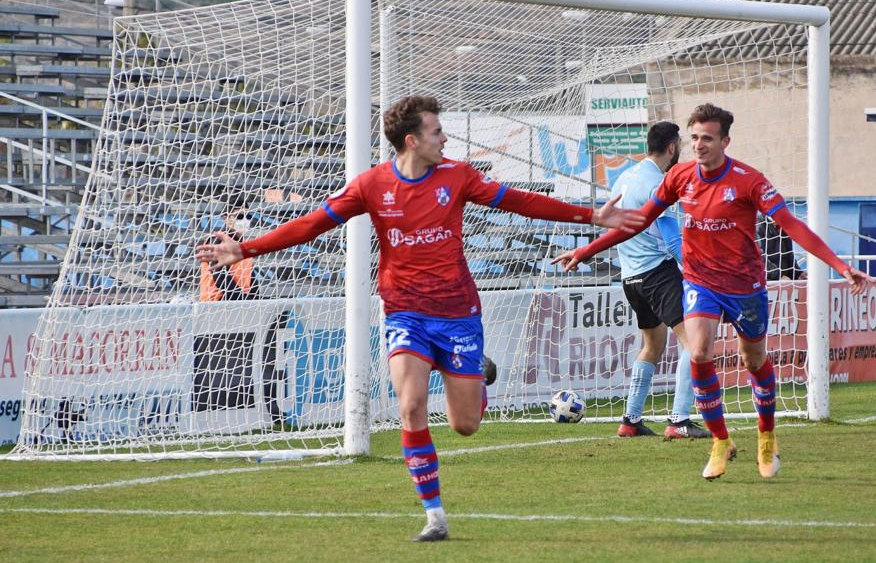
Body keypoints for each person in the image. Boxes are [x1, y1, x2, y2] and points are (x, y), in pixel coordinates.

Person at [195, 95, 644, 541]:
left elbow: (518, 202)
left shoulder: (458, 176)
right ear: (412, 140)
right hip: (405, 311)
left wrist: (589, 215)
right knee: (409, 406)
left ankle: (477, 377)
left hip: (457, 314)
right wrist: (246, 248)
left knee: (464, 426)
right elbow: (313, 223)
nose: (444, 138)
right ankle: (434, 516)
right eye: (436, 131)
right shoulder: (372, 184)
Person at [553, 102, 870, 481]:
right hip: (700, 283)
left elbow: (791, 226)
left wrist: (839, 265)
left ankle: (766, 435)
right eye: (694, 138)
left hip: (744, 287)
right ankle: (719, 441)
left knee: (754, 360)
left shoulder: (749, 180)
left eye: (707, 138)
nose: (699, 145)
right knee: (699, 351)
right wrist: (585, 250)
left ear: (725, 141)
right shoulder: (678, 178)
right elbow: (638, 223)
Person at [558, 122, 709, 440]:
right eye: (681, 144)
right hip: (658, 273)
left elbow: (618, 228)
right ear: (671, 148)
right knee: (693, 343)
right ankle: (680, 420)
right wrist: (697, 272)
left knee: (652, 346)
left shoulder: (624, 178)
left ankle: (630, 420)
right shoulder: (659, 182)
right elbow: (670, 240)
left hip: (630, 277)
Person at [199, 203, 257, 301]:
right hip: (217, 301)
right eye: (240, 216)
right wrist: (245, 300)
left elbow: (251, 278)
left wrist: (256, 299)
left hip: (240, 299)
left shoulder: (243, 244)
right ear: (226, 218)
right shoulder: (217, 240)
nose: (245, 221)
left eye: (248, 216)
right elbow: (220, 277)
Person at [758, 213, 806, 281]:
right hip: (768, 282)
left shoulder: (784, 226)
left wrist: (798, 273)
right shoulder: (758, 226)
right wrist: (779, 276)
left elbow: (789, 254)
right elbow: (759, 257)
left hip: (785, 279)